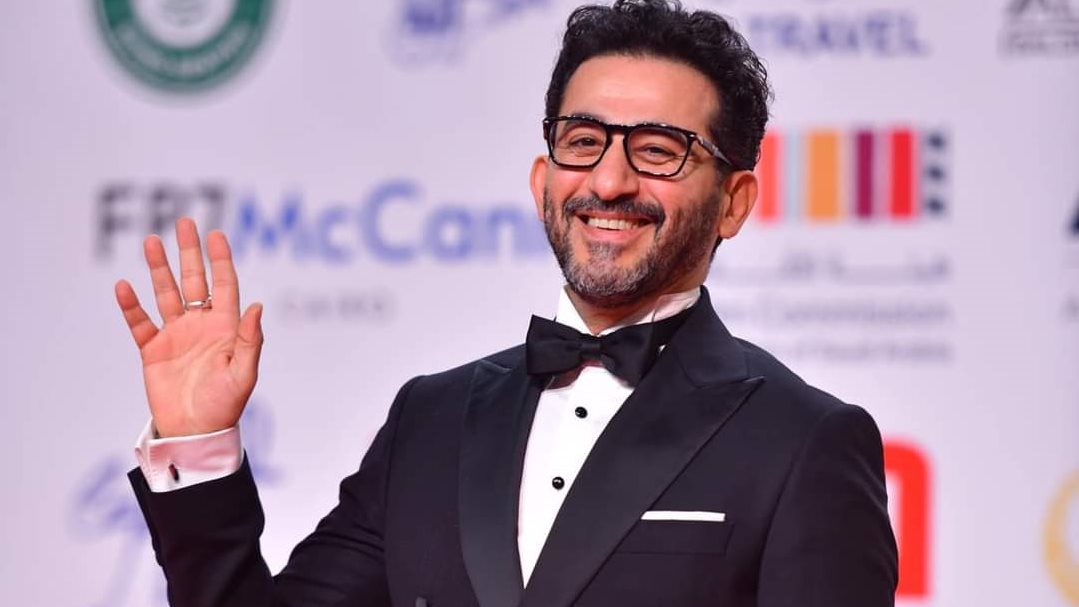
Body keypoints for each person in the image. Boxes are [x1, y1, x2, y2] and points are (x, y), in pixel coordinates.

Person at [115, 1, 898, 606]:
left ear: (733, 202)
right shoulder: (431, 419)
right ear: (540, 180)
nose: (609, 180)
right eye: (583, 140)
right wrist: (199, 444)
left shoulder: (802, 442)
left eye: (658, 151)